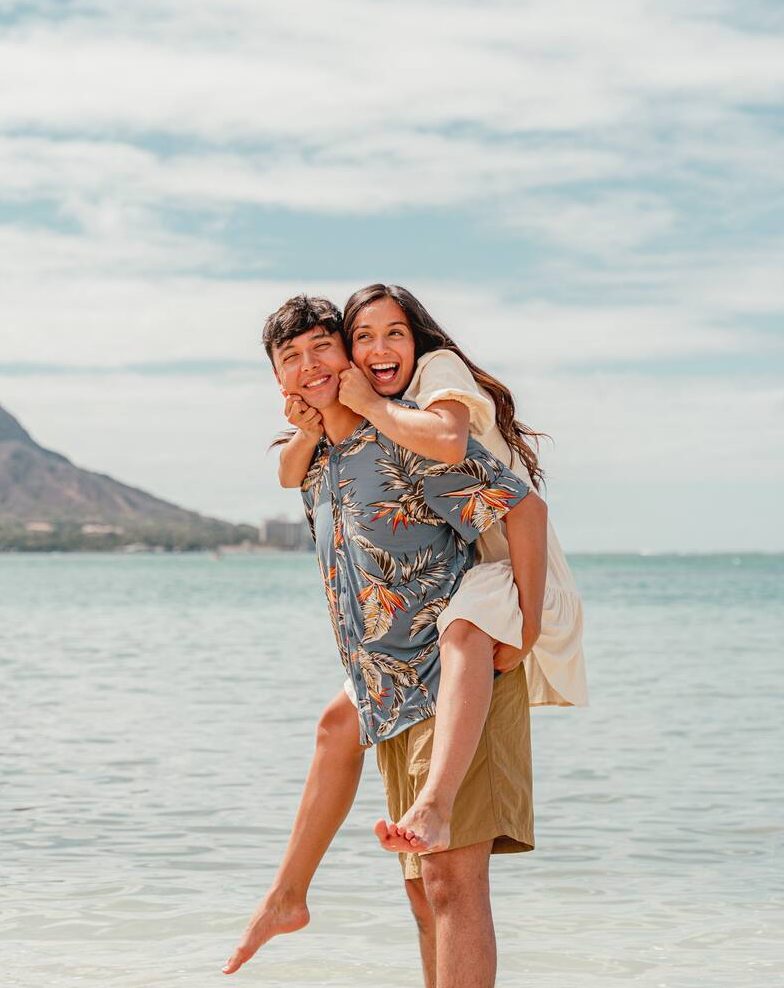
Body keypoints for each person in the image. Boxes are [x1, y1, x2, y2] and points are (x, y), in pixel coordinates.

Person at [226, 294, 549, 988]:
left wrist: (526, 623)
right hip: (390, 696)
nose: (310, 366)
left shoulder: (402, 443)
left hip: (459, 684)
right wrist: (308, 432)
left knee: (452, 887)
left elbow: (524, 509)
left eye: (323, 348)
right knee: (422, 895)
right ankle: (287, 896)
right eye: (292, 358)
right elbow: (287, 469)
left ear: (349, 357)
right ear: (278, 380)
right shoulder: (319, 460)